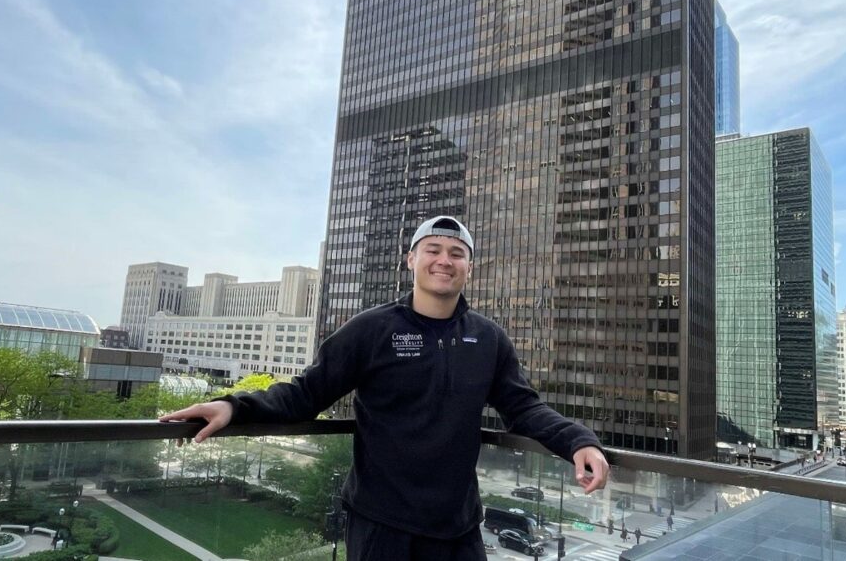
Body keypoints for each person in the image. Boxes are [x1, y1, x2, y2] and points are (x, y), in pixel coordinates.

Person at [160, 215, 610, 560]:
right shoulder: (371, 330)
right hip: (382, 525)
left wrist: (578, 442)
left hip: (459, 527)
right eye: (432, 249)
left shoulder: (488, 338)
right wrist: (233, 407)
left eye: (456, 253)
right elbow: (306, 393)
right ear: (411, 259)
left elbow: (523, 408)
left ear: (469, 267)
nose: (444, 260)